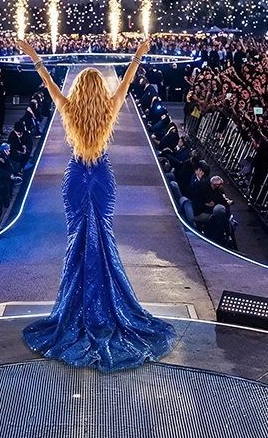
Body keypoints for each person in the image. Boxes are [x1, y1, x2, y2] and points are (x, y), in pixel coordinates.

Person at [12, 36, 176, 372]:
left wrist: (33, 55)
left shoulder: (69, 109)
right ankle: (109, 305)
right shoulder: (110, 109)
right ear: (100, 91)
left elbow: (46, 80)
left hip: (76, 176)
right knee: (103, 238)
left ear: (78, 91)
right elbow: (129, 80)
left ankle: (76, 308)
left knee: (78, 240)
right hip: (101, 177)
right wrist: (138, 55)